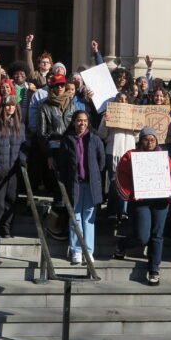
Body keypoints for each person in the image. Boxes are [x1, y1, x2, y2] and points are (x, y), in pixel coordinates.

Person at [114, 126, 171, 285]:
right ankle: (122, 244)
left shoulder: (164, 158)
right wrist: (128, 193)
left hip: (160, 201)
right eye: (146, 139)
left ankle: (154, 269)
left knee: (157, 235)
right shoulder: (131, 156)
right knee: (143, 237)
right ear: (141, 140)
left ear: (157, 141)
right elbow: (121, 175)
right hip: (140, 201)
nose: (149, 142)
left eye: (152, 139)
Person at [58, 110, 106, 263]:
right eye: (79, 120)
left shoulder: (95, 139)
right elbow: (63, 164)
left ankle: (88, 251)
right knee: (75, 218)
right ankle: (76, 250)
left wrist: (94, 174)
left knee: (88, 219)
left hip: (91, 185)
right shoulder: (67, 140)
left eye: (85, 120)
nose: (82, 123)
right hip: (75, 184)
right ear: (73, 122)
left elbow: (102, 161)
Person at [0, 95, 27, 237]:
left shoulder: (20, 126)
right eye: (7, 105)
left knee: (11, 200)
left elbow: (23, 147)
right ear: (3, 107)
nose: (10, 108)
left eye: (12, 105)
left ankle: (6, 228)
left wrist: (23, 159)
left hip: (13, 171)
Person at [37, 74, 80, 199]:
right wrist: (48, 155)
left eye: (62, 85)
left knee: (69, 182)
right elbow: (41, 134)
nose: (60, 88)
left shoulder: (72, 105)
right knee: (56, 186)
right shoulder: (45, 106)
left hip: (70, 147)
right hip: (54, 148)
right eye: (57, 85)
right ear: (52, 88)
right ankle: (56, 216)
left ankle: (67, 215)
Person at [98, 92, 138, 223]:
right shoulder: (109, 114)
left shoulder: (133, 115)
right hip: (113, 151)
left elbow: (137, 138)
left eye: (125, 99)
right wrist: (105, 121)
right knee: (114, 181)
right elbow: (102, 135)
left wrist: (137, 128)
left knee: (127, 182)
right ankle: (112, 210)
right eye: (120, 99)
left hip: (129, 152)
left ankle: (124, 210)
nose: (123, 101)